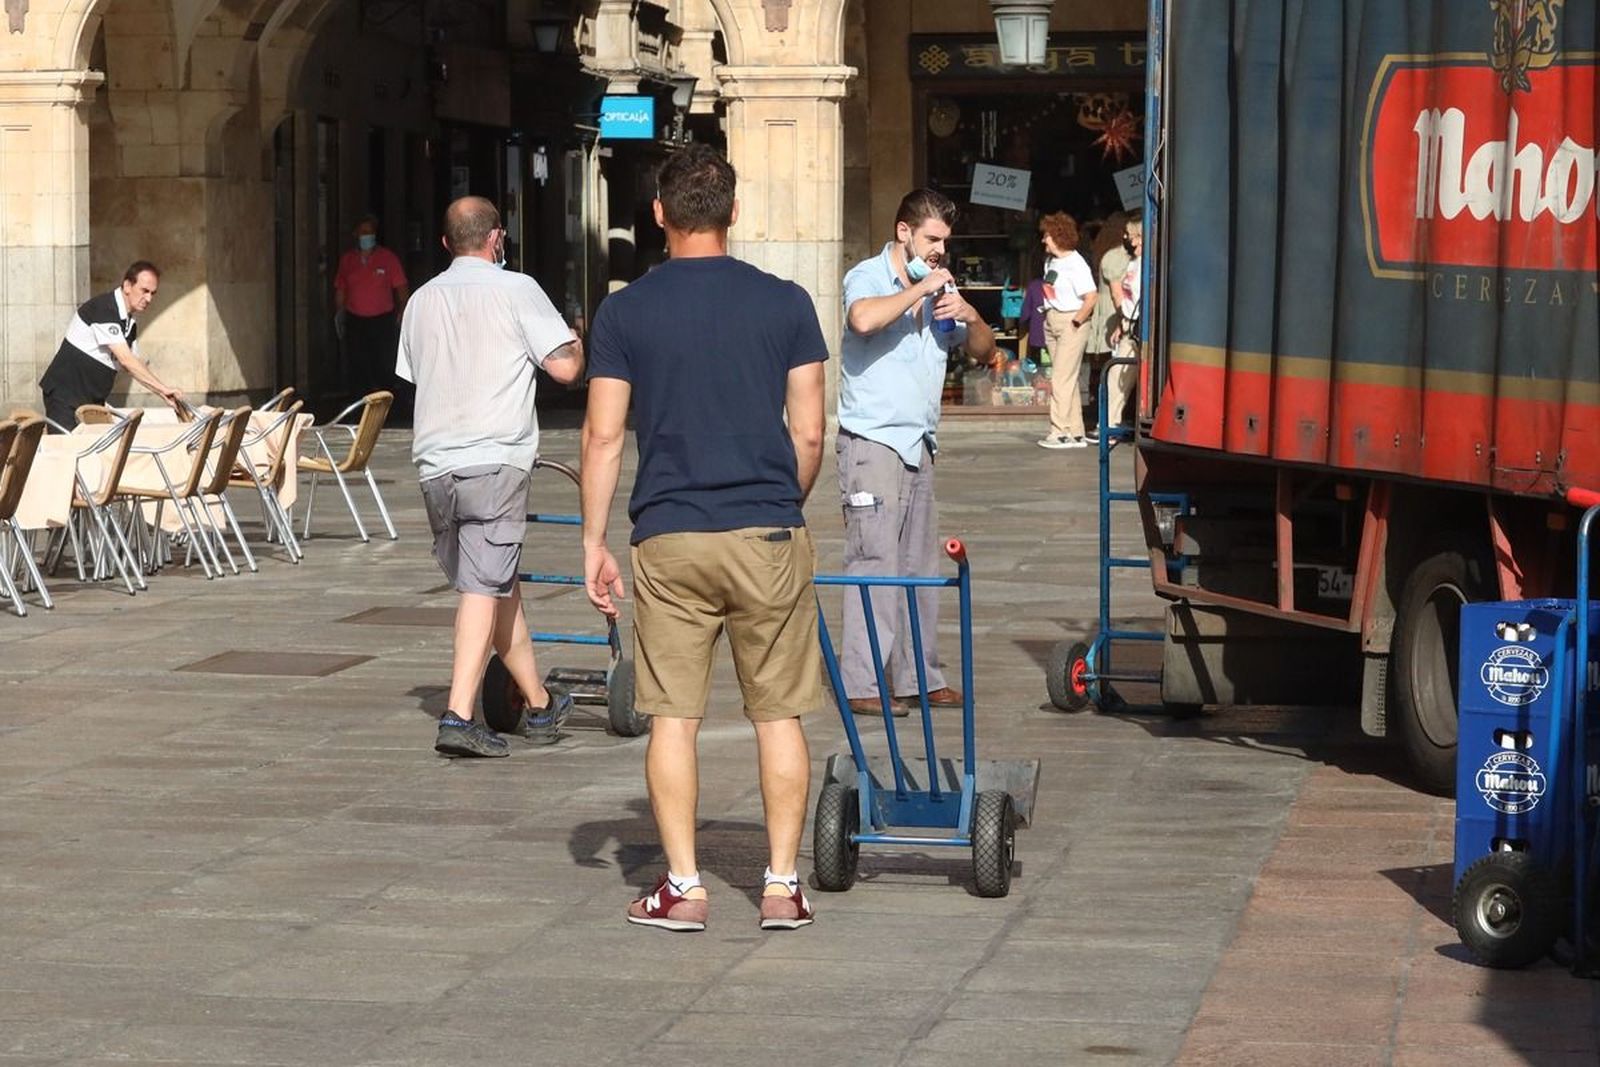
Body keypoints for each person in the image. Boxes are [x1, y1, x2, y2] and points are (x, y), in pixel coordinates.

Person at [580, 144, 827, 932]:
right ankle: (783, 885)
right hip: (766, 531)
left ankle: (682, 886)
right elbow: (812, 431)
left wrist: (593, 539)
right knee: (778, 713)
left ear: (659, 215)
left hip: (671, 534)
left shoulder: (625, 312)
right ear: (734, 213)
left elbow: (604, 436)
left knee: (674, 718)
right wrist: (782, 499)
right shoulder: (787, 304)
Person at [396, 196, 584, 758]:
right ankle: (457, 715)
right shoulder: (517, 288)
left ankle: (541, 704)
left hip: (436, 465)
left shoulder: (421, 301)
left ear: (445, 241)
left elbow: (413, 372)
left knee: (498, 584)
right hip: (494, 460)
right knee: (484, 585)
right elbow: (565, 368)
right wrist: (575, 337)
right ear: (497, 239)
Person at [837, 189, 995, 716]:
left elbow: (984, 352)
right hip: (873, 441)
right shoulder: (868, 275)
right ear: (904, 232)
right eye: (931, 239)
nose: (939, 252)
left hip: (919, 442)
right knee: (874, 560)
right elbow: (862, 319)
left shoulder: (938, 289)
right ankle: (862, 682)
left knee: (919, 566)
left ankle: (919, 677)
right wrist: (920, 287)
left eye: (944, 244)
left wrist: (970, 316)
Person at [38, 261, 184, 430]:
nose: (149, 298)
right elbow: (127, 360)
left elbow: (135, 365)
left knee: (97, 453)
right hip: (65, 396)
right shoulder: (104, 308)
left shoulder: (130, 323)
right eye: (144, 291)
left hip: (93, 401)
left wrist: (162, 393)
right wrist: (163, 389)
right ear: (127, 286)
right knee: (67, 452)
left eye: (153, 293)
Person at [1035, 212, 1098, 449]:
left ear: (1058, 236)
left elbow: (1091, 297)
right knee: (1067, 379)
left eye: (1047, 235)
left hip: (1071, 321)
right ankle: (1074, 431)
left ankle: (1059, 431)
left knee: (1060, 378)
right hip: (1051, 319)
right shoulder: (1051, 261)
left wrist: (1075, 322)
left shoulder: (1076, 263)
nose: (1044, 240)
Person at [335, 214, 409, 393]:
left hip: (382, 321)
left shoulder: (388, 258)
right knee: (357, 365)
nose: (366, 235)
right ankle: (359, 406)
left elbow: (401, 287)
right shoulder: (348, 260)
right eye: (362, 232)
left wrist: (403, 311)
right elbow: (341, 288)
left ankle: (387, 406)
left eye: (369, 231)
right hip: (356, 321)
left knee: (383, 365)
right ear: (355, 234)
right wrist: (339, 314)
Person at [1104, 217, 1144, 432]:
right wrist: (1121, 323)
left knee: (1130, 377)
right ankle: (1109, 425)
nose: (1131, 241)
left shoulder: (1151, 263)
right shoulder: (1134, 262)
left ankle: (1114, 425)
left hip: (1142, 327)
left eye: (1136, 236)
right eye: (1131, 237)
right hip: (1129, 325)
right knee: (1117, 376)